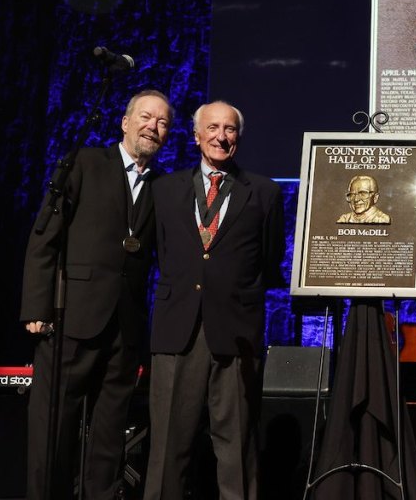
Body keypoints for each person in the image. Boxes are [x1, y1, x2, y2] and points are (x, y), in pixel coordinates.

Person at [21, 89, 173, 500]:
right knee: (53, 428)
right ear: (124, 122)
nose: (152, 127)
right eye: (145, 117)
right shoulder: (85, 162)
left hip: (125, 328)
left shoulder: (162, 187)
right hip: (70, 316)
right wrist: (37, 307)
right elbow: (44, 239)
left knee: (109, 432)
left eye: (161, 122)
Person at [144, 100, 285, 500]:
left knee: (237, 446)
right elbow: (160, 251)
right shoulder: (164, 189)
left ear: (238, 137)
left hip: (236, 332)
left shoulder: (265, 192)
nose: (221, 137)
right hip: (177, 329)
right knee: (169, 444)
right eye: (213, 128)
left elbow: (269, 259)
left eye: (230, 129)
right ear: (196, 135)